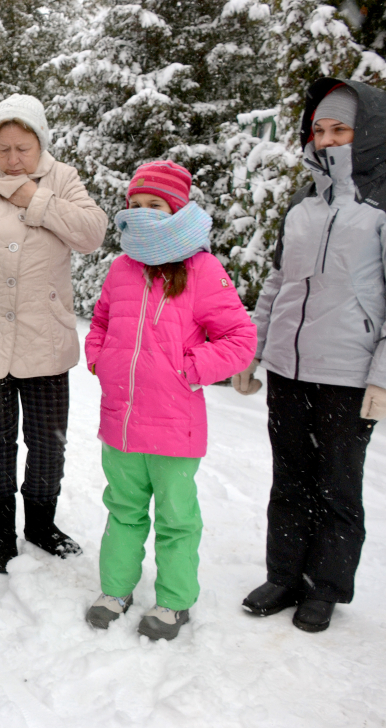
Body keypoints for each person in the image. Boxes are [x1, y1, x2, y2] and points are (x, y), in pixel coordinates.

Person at [235, 79, 386, 633]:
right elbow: (277, 283)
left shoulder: (379, 205)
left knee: (338, 485)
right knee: (290, 477)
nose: (327, 141)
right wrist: (252, 350)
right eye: (319, 130)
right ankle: (285, 576)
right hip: (290, 370)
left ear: (367, 133)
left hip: (349, 373)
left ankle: (326, 587)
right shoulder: (301, 205)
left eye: (340, 129)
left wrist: (383, 377)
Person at [0, 94, 106, 573]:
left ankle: (42, 525)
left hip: (43, 335)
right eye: (3, 148)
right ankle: (1, 533)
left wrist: (37, 199)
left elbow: (93, 234)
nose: (11, 159)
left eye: (22, 148)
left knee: (49, 441)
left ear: (40, 143)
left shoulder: (62, 179)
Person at [83, 161, 256, 640]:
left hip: (175, 428)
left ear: (177, 210)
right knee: (123, 510)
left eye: (154, 206)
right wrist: (99, 357)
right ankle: (116, 590)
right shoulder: (122, 268)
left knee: (177, 520)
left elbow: (239, 338)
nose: (141, 215)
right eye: (134, 206)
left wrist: (190, 369)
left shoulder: (202, 270)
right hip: (120, 424)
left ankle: (174, 602)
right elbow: (99, 321)